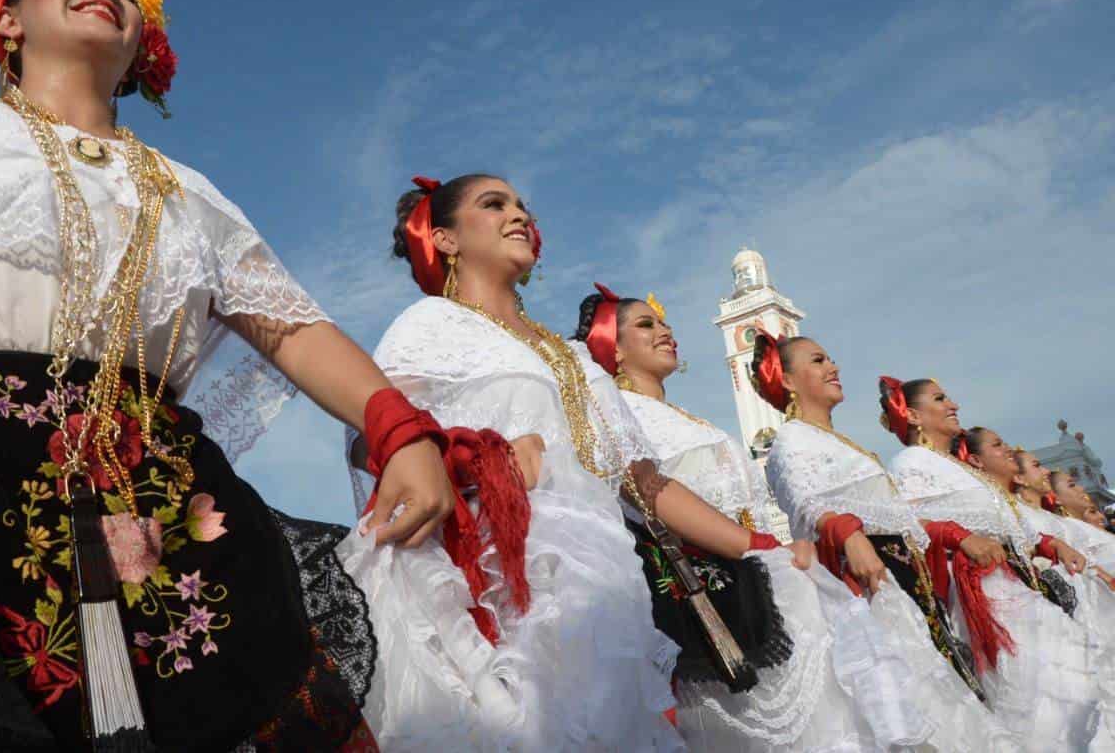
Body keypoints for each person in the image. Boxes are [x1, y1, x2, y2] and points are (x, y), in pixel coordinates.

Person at [0, 0, 458, 752]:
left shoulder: (186, 190)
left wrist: (397, 426)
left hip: (160, 484)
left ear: (139, 46)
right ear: (8, 22)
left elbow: (292, 325)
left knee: (267, 694)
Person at [338, 174, 685, 751]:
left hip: (600, 584)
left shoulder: (576, 358)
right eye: (494, 204)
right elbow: (370, 440)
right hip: (489, 574)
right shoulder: (429, 324)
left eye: (523, 206)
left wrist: (757, 547)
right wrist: (474, 448)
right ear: (445, 239)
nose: (520, 214)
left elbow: (645, 484)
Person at [576, 288, 948, 751]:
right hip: (710, 592)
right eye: (645, 325)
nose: (665, 331)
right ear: (611, 343)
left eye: (664, 323)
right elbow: (646, 492)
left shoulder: (690, 421)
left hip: (763, 579)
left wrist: (776, 549)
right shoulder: (617, 411)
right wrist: (759, 545)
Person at [756, 334, 1013, 751]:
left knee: (951, 700)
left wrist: (951, 540)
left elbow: (903, 518)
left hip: (907, 582)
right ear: (787, 380)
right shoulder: (792, 439)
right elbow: (805, 500)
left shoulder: (843, 444)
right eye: (819, 360)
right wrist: (849, 536)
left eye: (832, 359)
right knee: (918, 705)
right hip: (867, 583)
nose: (833, 367)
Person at [883, 379, 1111, 750]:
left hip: (1014, 584)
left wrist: (1050, 543)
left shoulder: (963, 472)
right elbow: (910, 524)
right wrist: (961, 538)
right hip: (984, 594)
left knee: (1073, 678)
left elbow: (1009, 526)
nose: (953, 404)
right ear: (912, 415)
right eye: (940, 399)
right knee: (1039, 690)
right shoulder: (910, 462)